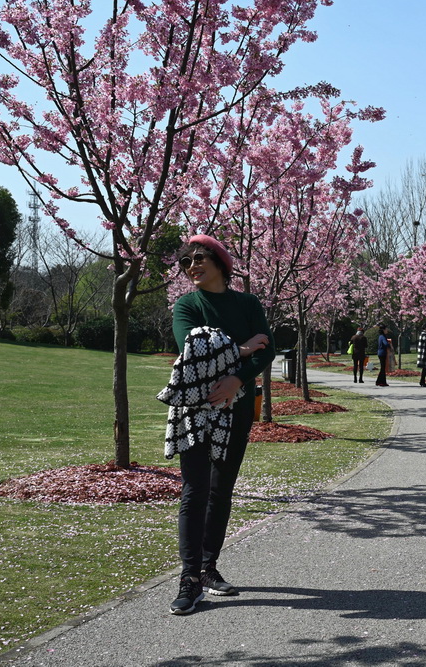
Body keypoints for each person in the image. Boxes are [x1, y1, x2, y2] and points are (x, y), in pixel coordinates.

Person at [165, 234, 274, 615]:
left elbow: (269, 349)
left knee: (221, 488)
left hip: (238, 404)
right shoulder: (186, 305)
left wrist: (236, 380)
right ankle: (189, 577)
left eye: (199, 258)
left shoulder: (247, 303)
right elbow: (189, 348)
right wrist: (242, 349)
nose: (191, 266)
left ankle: (209, 567)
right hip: (195, 408)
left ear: (220, 262)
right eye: (185, 262)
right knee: (195, 488)